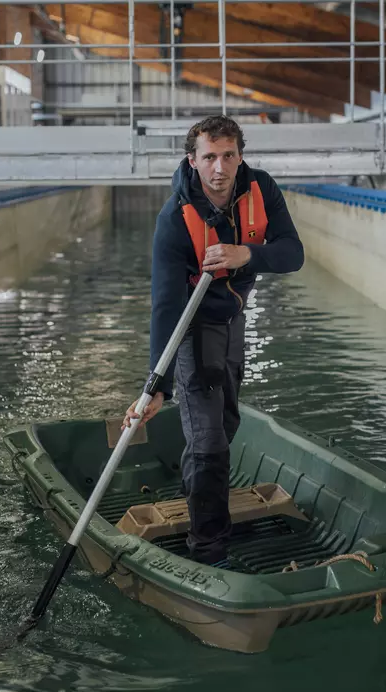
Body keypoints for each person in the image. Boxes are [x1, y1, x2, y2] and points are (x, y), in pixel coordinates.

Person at [123, 115, 304, 566]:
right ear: (193, 160)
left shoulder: (262, 189)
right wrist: (157, 385)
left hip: (232, 318)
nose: (219, 168)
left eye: (228, 156)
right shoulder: (174, 220)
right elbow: (165, 306)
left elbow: (292, 253)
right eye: (209, 157)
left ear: (240, 156)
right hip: (190, 326)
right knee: (208, 442)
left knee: (224, 425)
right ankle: (209, 551)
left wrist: (248, 254)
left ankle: (199, 495)